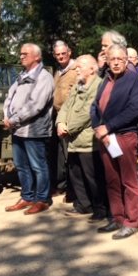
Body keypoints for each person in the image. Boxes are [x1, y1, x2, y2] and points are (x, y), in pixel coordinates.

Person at [91, 44, 138, 240]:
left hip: (124, 136)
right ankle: (117, 217)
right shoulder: (105, 80)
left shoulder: (136, 80)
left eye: (120, 59)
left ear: (126, 61)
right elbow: (95, 107)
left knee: (128, 181)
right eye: (112, 59)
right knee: (112, 180)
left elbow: (133, 110)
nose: (115, 62)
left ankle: (131, 222)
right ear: (106, 60)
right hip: (105, 138)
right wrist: (98, 127)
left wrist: (109, 127)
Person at [3, 43, 55, 215]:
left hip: (34, 130)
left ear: (37, 57)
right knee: (21, 165)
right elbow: (10, 96)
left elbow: (35, 106)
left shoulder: (44, 78)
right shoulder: (22, 75)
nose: (21, 56)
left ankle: (42, 199)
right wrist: (6, 115)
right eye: (21, 53)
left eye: (25, 53)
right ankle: (27, 197)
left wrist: (13, 119)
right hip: (18, 129)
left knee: (38, 166)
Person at [56, 55, 108, 222]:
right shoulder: (78, 85)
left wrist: (68, 128)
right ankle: (83, 205)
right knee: (76, 175)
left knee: (93, 178)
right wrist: (59, 123)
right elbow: (65, 106)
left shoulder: (98, 86)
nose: (76, 69)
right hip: (72, 140)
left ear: (92, 69)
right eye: (76, 66)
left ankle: (100, 210)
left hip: (88, 142)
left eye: (80, 67)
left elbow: (88, 112)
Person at [51, 40, 77, 196]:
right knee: (61, 154)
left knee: (70, 155)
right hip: (57, 117)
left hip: (70, 118)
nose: (61, 57)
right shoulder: (58, 71)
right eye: (58, 54)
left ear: (69, 52)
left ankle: (72, 190)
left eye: (63, 53)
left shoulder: (75, 70)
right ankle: (61, 185)